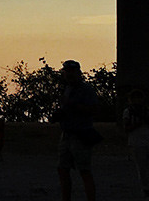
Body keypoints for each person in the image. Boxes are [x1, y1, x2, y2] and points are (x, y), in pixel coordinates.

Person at [56, 60, 100, 201]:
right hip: (67, 134)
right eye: (66, 71)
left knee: (84, 171)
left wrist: (73, 106)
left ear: (78, 73)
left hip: (81, 134)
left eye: (71, 72)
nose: (68, 74)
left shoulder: (86, 90)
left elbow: (93, 110)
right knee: (62, 169)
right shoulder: (67, 89)